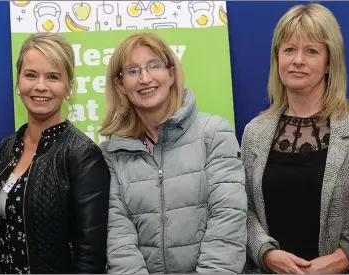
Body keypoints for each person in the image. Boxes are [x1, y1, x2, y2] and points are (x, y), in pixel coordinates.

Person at [243, 4, 349, 274]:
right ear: (277, 57)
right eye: (289, 49)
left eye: (311, 51)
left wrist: (347, 255)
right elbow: (244, 209)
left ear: (329, 62)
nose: (297, 60)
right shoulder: (254, 132)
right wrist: (265, 253)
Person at [100, 32, 247, 274]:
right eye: (133, 71)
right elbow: (118, 238)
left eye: (154, 65)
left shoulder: (214, 134)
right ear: (120, 84)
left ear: (171, 73)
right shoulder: (112, 153)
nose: (145, 78)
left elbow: (228, 220)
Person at [0, 33, 110, 274]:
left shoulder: (81, 154)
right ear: (18, 81)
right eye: (31, 75)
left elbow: (90, 257)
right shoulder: (7, 146)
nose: (40, 86)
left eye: (53, 77)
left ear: (68, 86)